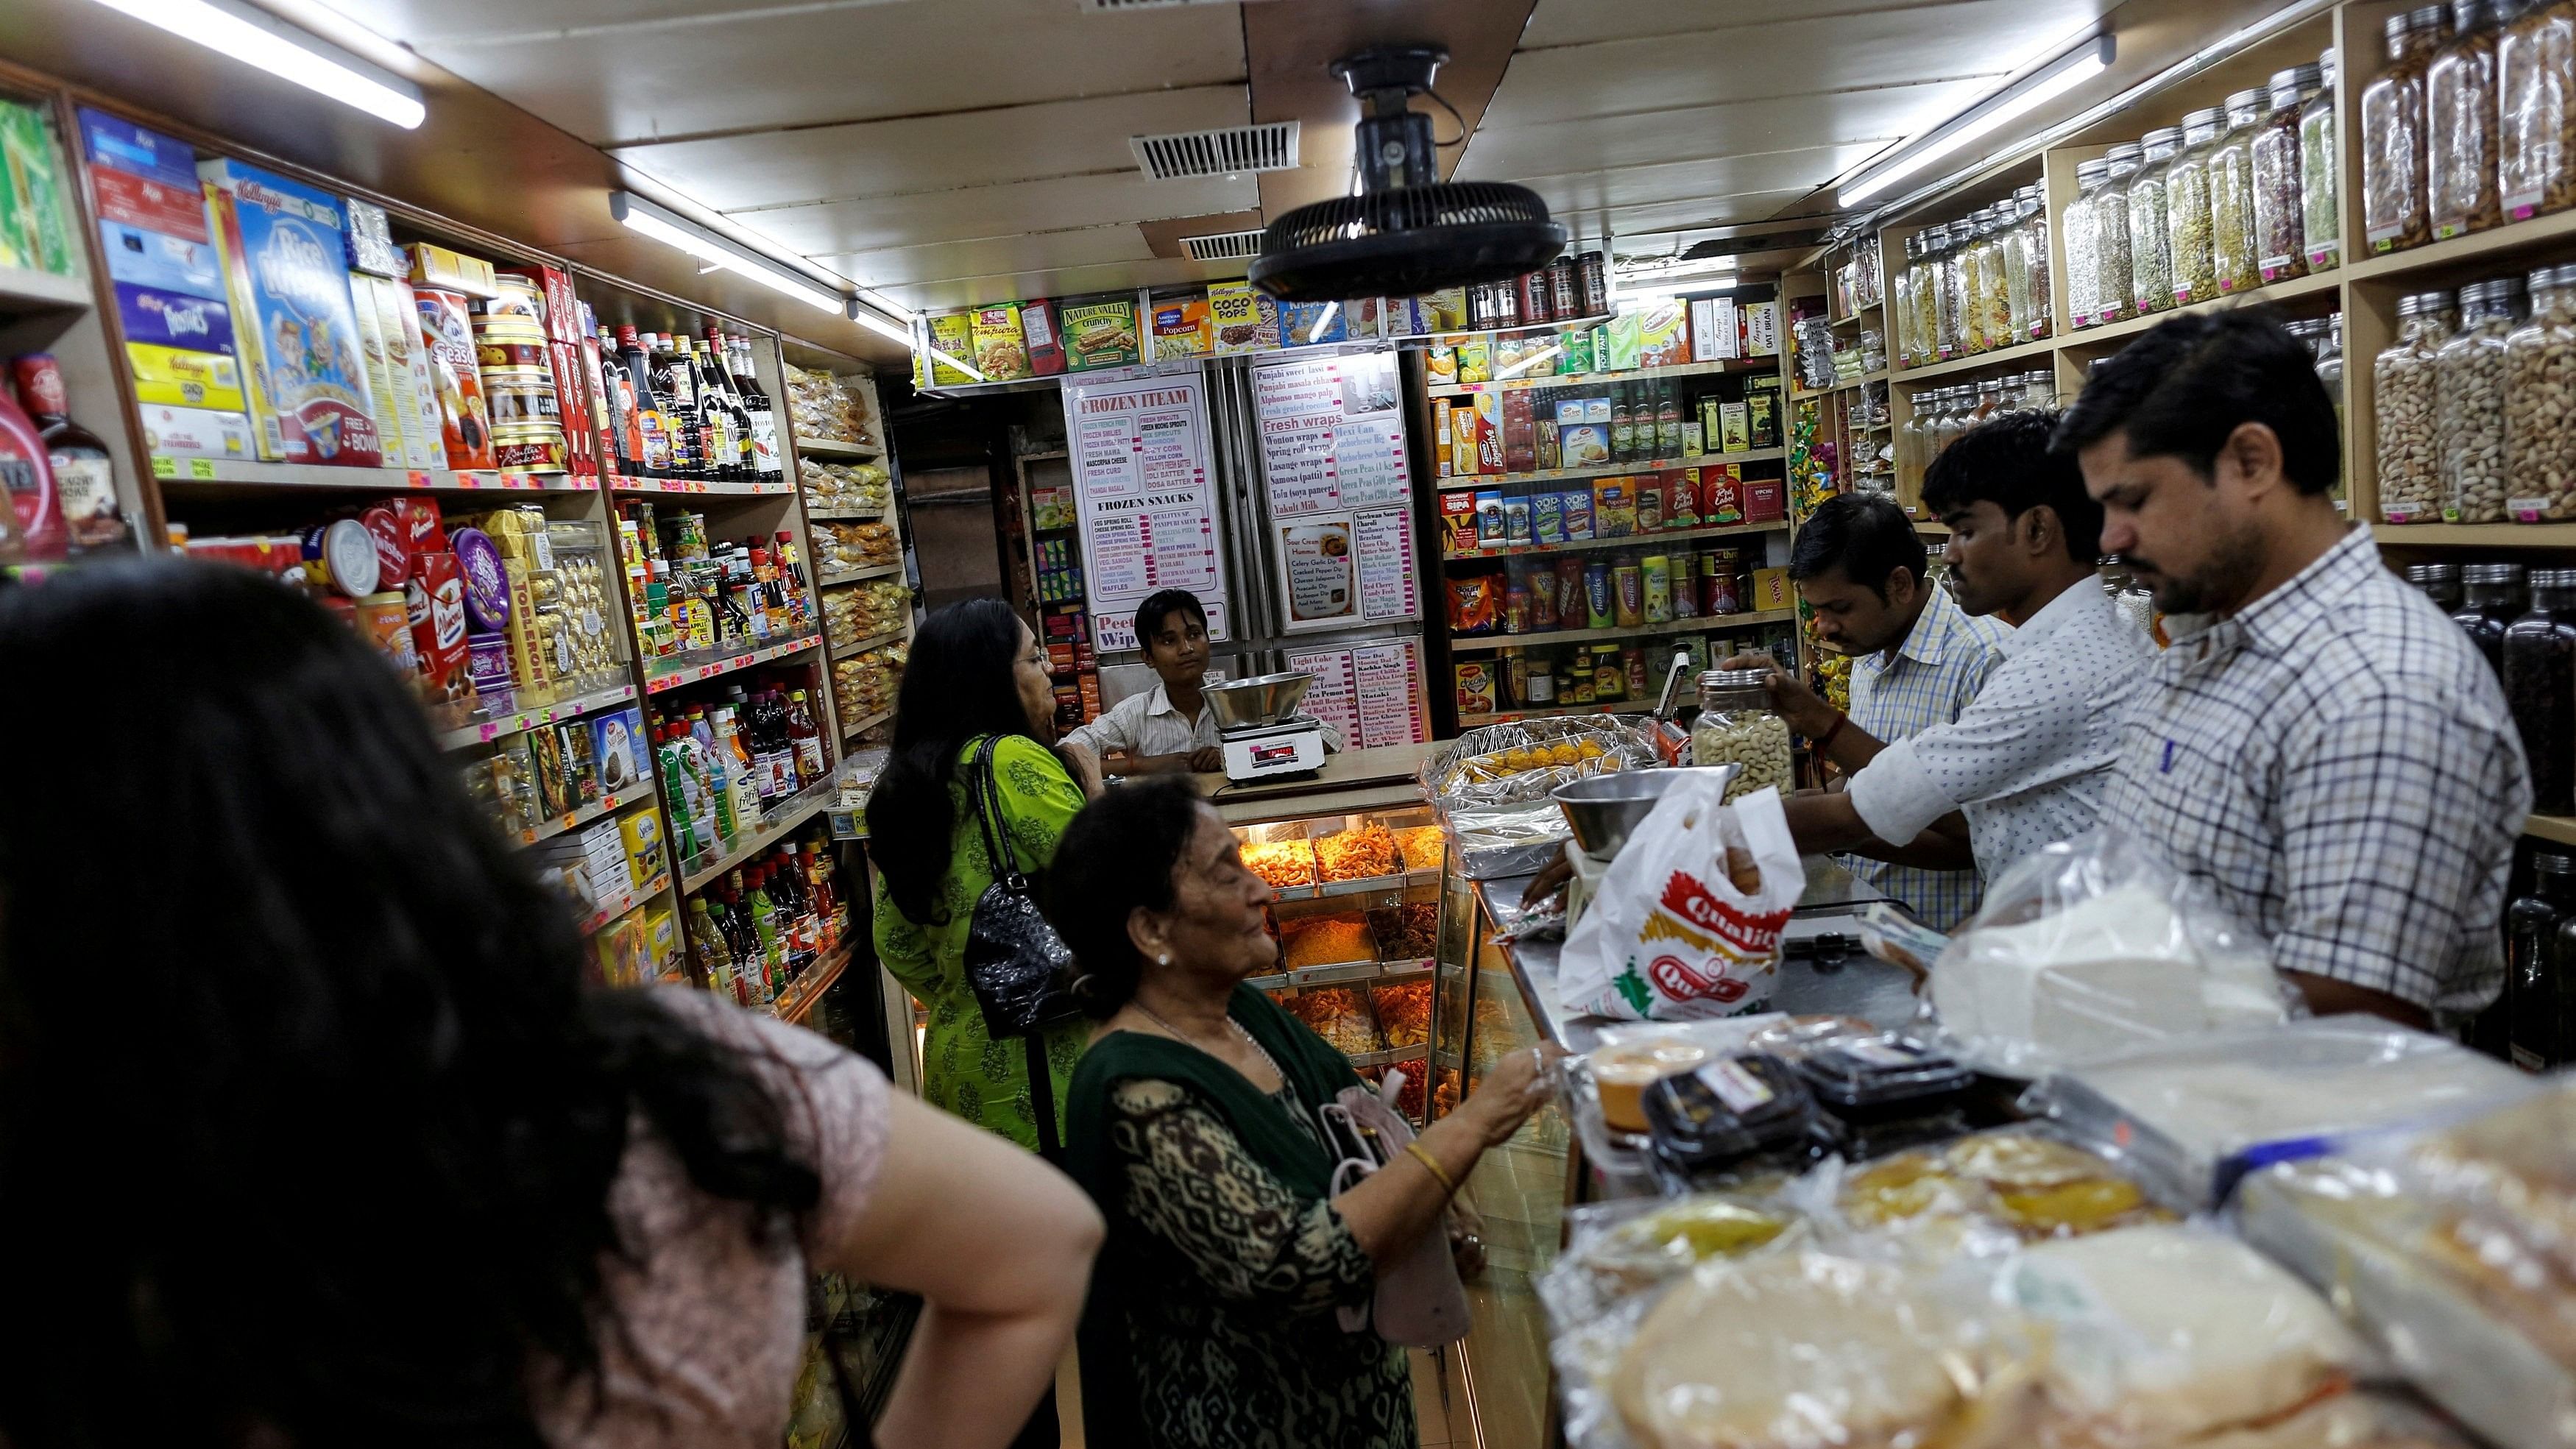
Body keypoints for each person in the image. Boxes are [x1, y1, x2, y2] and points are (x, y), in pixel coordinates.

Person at [0, 559, 1103, 1449]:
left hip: (971, 1059)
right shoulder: (671, 1097)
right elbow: (1039, 1244)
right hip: (1037, 1070)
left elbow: (901, 943)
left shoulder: (110, 1254)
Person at [1047, 779, 1559, 1449]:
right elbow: (1295, 1261)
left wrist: (1427, 1200)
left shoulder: (1237, 1012)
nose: (1262, 889)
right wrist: (1471, 1126)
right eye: (1225, 875)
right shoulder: (1139, 1093)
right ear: (1150, 929)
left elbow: (1356, 1120)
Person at [2056, 308, 2529, 1030]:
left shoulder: (2377, 689)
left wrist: (2055, 992)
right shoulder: (2208, 639)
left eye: (2133, 500)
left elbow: (2355, 1008)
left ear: (2251, 462)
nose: (2110, 539)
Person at [1752, 412, 2154, 889]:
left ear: (2038, 530)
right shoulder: (2098, 639)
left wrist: (1713, 828)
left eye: (1965, 530)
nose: (1949, 554)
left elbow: (1864, 810)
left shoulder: (2055, 672)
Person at [870, 597, 1105, 1160]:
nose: (1048, 669)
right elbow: (1111, 870)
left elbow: (895, 939)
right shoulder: (1010, 761)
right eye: (1033, 658)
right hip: (1047, 1070)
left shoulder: (911, 782)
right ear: (991, 679)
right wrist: (1094, 787)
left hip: (960, 1070)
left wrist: (973, 990)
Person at [1726, 492, 2009, 929]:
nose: (1825, 627)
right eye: (1816, 610)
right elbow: (1862, 780)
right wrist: (1777, 804)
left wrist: (1836, 827)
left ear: (1899, 585)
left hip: (1941, 945)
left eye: (1839, 608)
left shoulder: (1983, 659)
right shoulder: (1872, 654)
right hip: (1873, 926)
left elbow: (1976, 839)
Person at [1058, 589, 1341, 780]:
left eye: (1194, 634)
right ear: (1148, 657)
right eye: (1169, 641)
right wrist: (1145, 765)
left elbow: (1330, 738)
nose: (1186, 648)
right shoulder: (1135, 714)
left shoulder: (1239, 700)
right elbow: (1063, 758)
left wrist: (1235, 756)